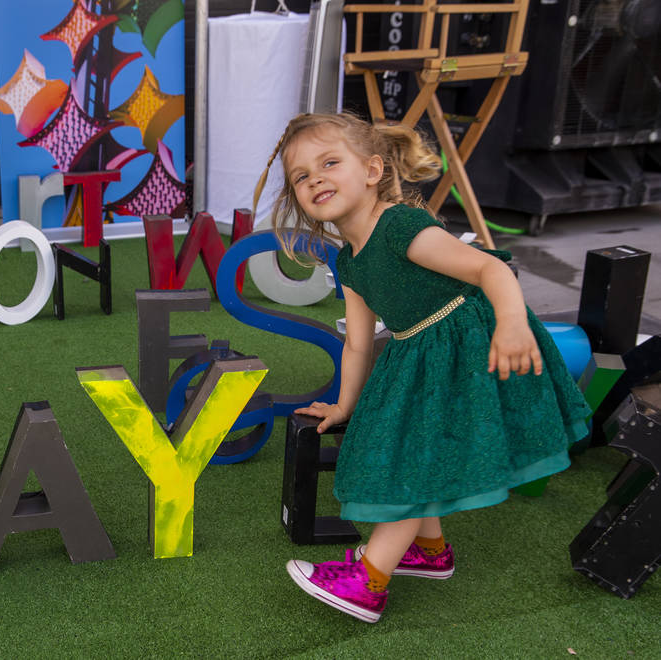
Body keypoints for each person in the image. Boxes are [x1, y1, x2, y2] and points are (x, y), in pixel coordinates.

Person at [252, 112, 591, 624]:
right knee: (409, 451)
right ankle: (428, 552)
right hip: (417, 354)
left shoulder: (399, 227)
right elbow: (360, 345)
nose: (315, 178)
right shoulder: (349, 261)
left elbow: (488, 267)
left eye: (329, 163)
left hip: (467, 348)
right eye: (301, 175)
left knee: (411, 463)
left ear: (371, 171)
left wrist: (513, 323)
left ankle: (369, 581)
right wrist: (345, 405)